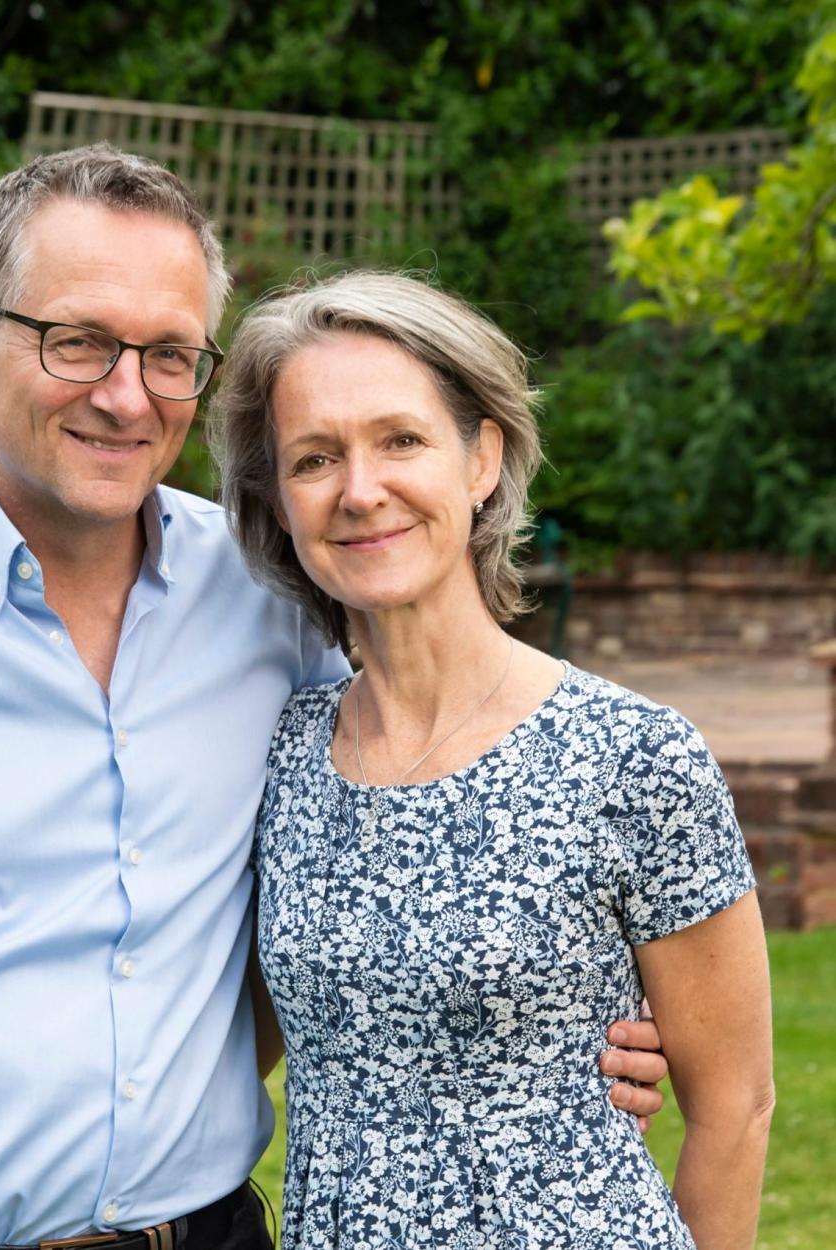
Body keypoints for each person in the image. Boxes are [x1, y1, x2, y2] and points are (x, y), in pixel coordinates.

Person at [0, 146, 667, 1250]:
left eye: (167, 354)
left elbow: (382, 849)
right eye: (79, 341)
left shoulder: (275, 604)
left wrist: (565, 1018)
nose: (124, 394)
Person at [209, 270, 775, 1249]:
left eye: (402, 439)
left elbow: (736, 1105)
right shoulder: (283, 751)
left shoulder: (634, 757)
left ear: (482, 459)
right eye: (313, 458)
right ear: (280, 502)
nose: (360, 488)